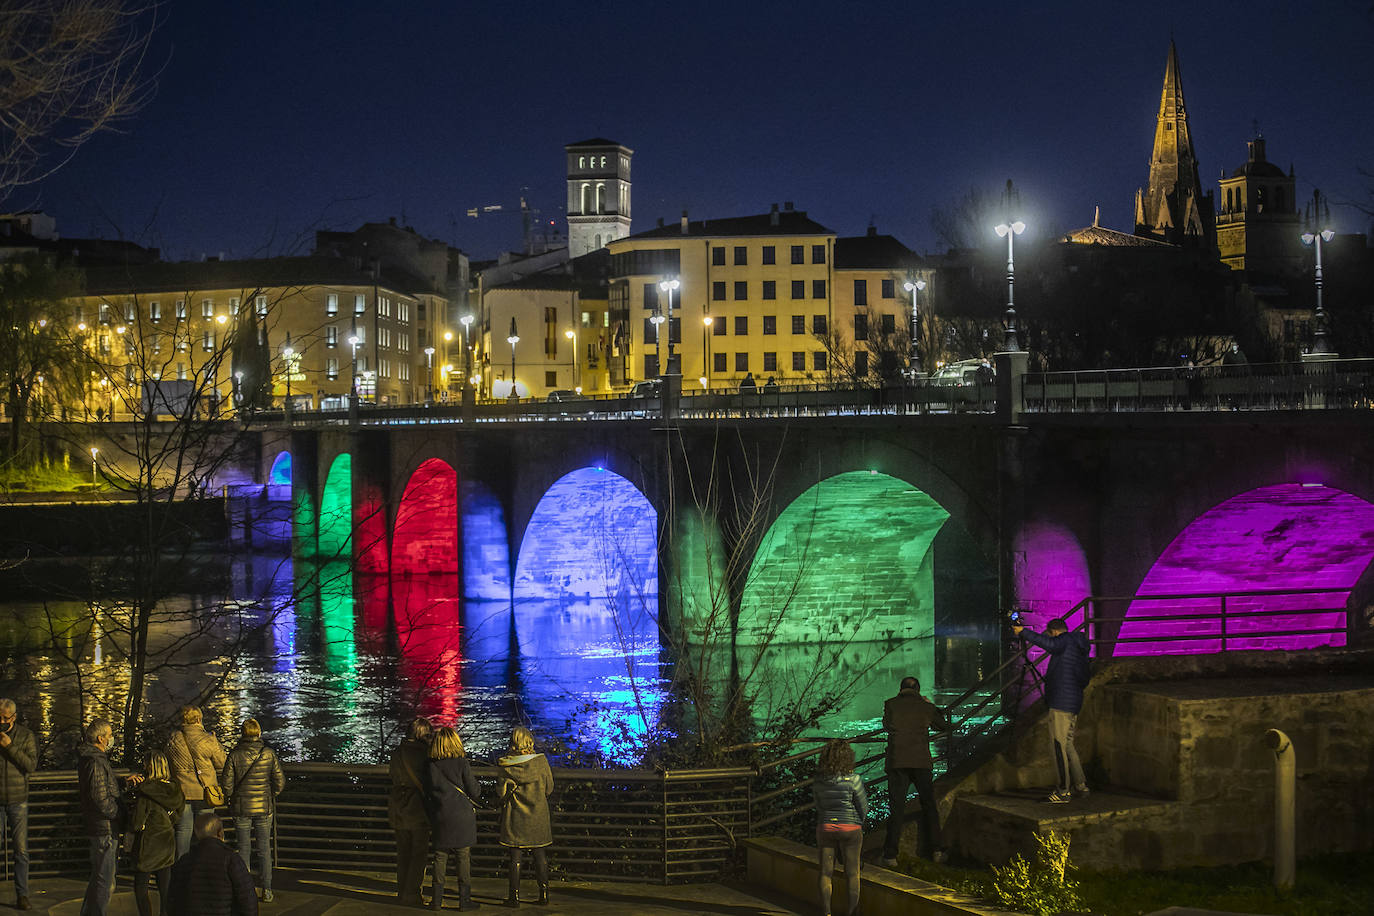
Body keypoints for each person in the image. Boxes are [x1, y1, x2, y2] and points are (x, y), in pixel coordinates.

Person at [1013, 616, 1092, 803]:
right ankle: (1081, 785)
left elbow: (1048, 643)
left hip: (1061, 703)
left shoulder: (1064, 641)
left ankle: (1063, 791)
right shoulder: (1078, 645)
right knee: (1068, 745)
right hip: (1073, 701)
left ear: (1054, 631)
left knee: (1058, 746)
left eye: (1051, 634)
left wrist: (1022, 632)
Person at [881, 676, 951, 866]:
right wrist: (931, 706)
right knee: (928, 804)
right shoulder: (925, 707)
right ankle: (937, 850)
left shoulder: (891, 704)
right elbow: (943, 726)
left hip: (897, 762)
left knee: (896, 808)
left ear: (901, 688)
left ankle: (890, 855)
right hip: (921, 761)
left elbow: (886, 725)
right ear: (918, 690)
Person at [220, 718, 286, 902]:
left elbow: (226, 785)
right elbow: (279, 781)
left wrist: (233, 796)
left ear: (242, 733)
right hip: (264, 807)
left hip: (241, 807)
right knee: (264, 849)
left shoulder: (234, 755)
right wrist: (269, 794)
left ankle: (244, 890)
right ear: (259, 733)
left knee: (243, 849)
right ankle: (267, 889)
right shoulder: (268, 753)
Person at [497, 726, 554, 908]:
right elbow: (549, 787)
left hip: (515, 816)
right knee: (540, 855)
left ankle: (514, 897)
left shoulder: (507, 765)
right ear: (529, 741)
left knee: (515, 857)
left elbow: (501, 793)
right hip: (538, 815)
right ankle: (543, 894)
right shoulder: (541, 762)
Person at [427, 726, 482, 911]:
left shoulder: (432, 766)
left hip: (441, 816)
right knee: (463, 859)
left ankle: (436, 901)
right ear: (456, 743)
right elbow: (474, 791)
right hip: (462, 817)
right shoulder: (462, 763)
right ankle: (464, 900)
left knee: (439, 858)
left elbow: (429, 794)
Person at [125, 750, 185, 916]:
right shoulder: (174, 789)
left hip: (148, 846)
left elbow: (136, 823)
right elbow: (178, 813)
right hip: (166, 842)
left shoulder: (146, 793)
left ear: (149, 767)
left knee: (141, 889)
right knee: (165, 889)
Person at [169, 810, 258, 916]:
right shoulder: (231, 860)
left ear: (197, 834)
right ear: (220, 832)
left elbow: (173, 899)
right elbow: (247, 899)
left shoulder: (184, 861)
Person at [166, 704, 227, 859]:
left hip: (182, 791)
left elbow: (168, 764)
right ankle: (206, 865)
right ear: (199, 719)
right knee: (208, 831)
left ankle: (181, 868)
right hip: (206, 792)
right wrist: (216, 741)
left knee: (183, 831)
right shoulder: (207, 739)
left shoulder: (174, 738)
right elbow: (222, 763)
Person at [813, 740, 867, 916]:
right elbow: (863, 807)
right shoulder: (854, 780)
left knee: (825, 873)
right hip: (850, 828)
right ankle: (852, 912)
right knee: (852, 874)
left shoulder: (819, 781)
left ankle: (827, 912)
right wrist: (859, 823)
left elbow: (818, 805)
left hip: (826, 827)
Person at [77, 717, 121, 916]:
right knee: (106, 881)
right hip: (104, 826)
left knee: (98, 877)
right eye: (110, 735)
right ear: (102, 739)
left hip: (98, 825)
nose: (112, 739)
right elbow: (99, 796)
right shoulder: (96, 762)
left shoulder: (90, 759)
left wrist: (122, 784)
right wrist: (115, 813)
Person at [388, 717, 433, 906]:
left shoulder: (397, 753)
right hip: (418, 809)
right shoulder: (425, 754)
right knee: (419, 854)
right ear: (422, 734)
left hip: (398, 807)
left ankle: (402, 891)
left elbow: (393, 776)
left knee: (403, 853)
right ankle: (412, 893)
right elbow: (431, 782)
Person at [0, 699, 37, 910]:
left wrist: (10, 746)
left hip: (18, 801)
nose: (1, 721)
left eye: (5, 718)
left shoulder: (25, 736)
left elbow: (30, 765)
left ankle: (22, 895)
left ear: (13, 717)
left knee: (21, 851)